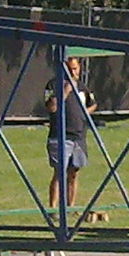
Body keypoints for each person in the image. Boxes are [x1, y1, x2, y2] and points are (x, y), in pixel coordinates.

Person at [44, 56, 96, 207]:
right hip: (60, 136)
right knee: (59, 172)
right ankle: (53, 208)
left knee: (73, 173)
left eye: (75, 68)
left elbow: (93, 104)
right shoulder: (53, 85)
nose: (73, 72)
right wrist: (65, 92)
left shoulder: (82, 87)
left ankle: (71, 206)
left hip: (79, 136)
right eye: (70, 69)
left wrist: (85, 113)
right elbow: (51, 107)